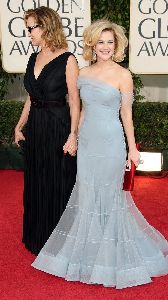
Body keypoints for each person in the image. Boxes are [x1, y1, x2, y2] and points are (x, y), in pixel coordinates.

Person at [31, 20, 168, 289]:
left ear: (117, 45)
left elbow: (126, 115)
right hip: (88, 143)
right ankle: (90, 253)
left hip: (111, 144)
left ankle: (110, 256)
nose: (106, 47)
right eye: (101, 42)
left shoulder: (123, 75)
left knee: (111, 197)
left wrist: (132, 148)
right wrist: (73, 136)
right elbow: (83, 110)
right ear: (92, 44)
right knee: (86, 194)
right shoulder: (83, 73)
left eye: (110, 42)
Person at [14, 6, 80, 255]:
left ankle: (61, 243)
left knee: (58, 181)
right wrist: (20, 125)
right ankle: (37, 237)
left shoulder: (68, 59)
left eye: (33, 27)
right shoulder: (33, 58)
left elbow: (74, 100)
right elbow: (32, 98)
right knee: (37, 181)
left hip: (58, 127)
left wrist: (73, 135)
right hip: (37, 128)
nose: (29, 33)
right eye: (28, 28)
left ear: (47, 26)